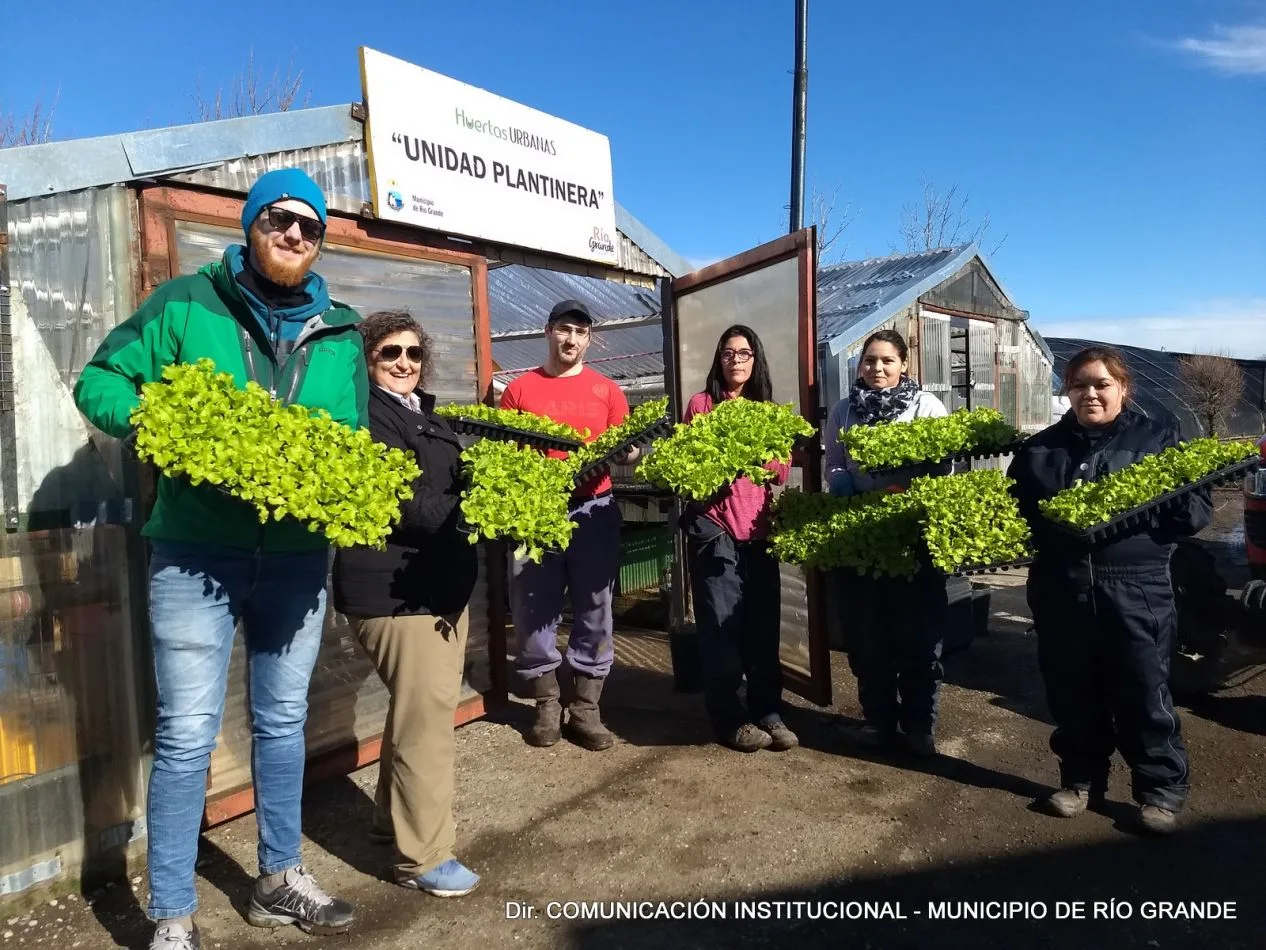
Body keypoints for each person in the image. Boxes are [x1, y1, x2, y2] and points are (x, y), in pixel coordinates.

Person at [73, 168, 362, 950]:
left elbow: (355, 438)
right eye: (280, 218)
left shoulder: (342, 328)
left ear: (320, 238)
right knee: (189, 732)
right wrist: (162, 424)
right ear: (252, 223)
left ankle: (277, 878)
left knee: (281, 722)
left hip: (298, 556)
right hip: (196, 547)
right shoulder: (183, 304)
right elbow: (100, 380)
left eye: (309, 224)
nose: (294, 233)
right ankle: (172, 914)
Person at [1008, 346, 1210, 835]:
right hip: (1062, 587)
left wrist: (1169, 502)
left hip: (1137, 588)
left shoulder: (1158, 439)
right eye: (1079, 385)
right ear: (1067, 392)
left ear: (1123, 388)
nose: (1090, 393)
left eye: (1101, 384)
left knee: (1143, 689)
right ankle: (1081, 780)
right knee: (1072, 688)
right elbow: (1013, 517)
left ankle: (1160, 789)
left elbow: (1197, 514)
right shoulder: (1041, 450)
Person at [331, 310, 481, 896]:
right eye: (390, 352)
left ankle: (386, 823)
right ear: (368, 359)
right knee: (428, 726)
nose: (404, 363)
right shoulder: (366, 413)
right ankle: (424, 857)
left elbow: (451, 483)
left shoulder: (426, 414)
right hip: (396, 592)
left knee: (414, 712)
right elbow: (403, 501)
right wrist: (482, 509)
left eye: (414, 353)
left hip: (437, 590)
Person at [500, 299, 635, 751]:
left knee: (595, 606)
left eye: (579, 331)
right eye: (563, 329)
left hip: (593, 510)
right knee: (532, 606)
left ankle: (585, 708)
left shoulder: (608, 392)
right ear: (548, 331)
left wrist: (629, 454)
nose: (571, 339)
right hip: (535, 511)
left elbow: (629, 451)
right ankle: (544, 705)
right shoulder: (519, 390)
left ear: (589, 339)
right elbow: (505, 454)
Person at [823, 329, 950, 757]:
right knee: (867, 637)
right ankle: (878, 720)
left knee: (917, 639)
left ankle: (919, 726)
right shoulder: (844, 411)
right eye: (870, 361)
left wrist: (908, 488)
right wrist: (842, 484)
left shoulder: (925, 406)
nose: (877, 369)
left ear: (904, 365)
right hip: (859, 535)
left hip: (911, 535)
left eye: (886, 361)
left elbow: (944, 465)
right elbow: (835, 462)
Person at [681, 325, 796, 753]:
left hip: (760, 530)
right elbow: (690, 467)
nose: (736, 360)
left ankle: (768, 710)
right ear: (719, 359)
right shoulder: (702, 405)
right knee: (720, 631)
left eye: (744, 353)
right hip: (716, 530)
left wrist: (762, 457)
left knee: (763, 629)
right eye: (728, 353)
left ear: (755, 359)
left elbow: (781, 471)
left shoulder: (768, 409)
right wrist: (722, 459)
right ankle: (728, 719)